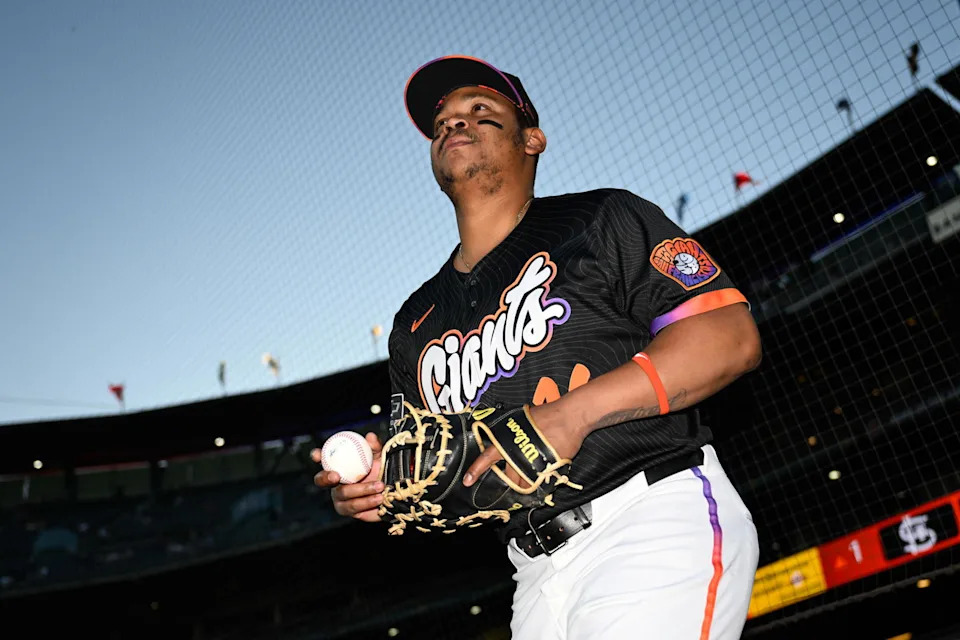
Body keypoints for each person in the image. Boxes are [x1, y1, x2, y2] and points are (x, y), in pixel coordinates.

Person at [313, 55, 762, 639]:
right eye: (443, 121)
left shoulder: (600, 218)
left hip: (648, 517)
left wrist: (568, 416)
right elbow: (431, 465)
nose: (455, 123)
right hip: (534, 575)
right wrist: (376, 487)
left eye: (481, 111)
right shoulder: (415, 323)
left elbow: (728, 336)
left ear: (533, 139)